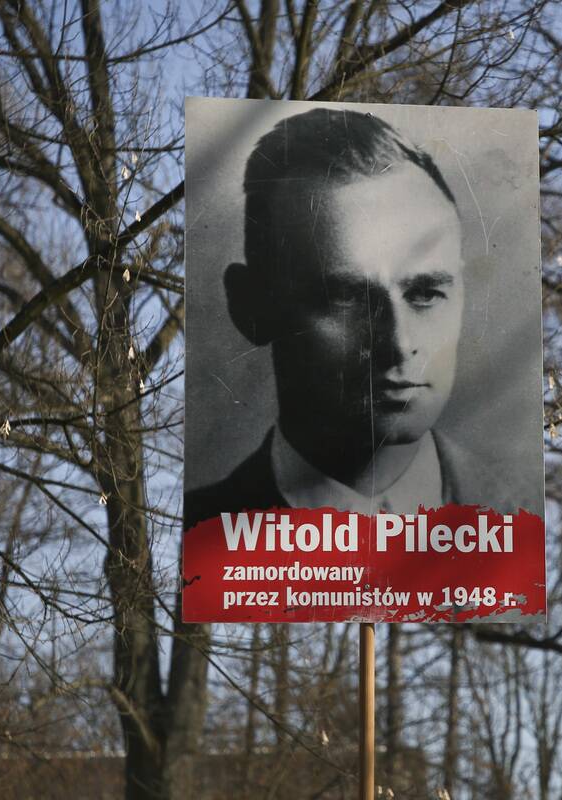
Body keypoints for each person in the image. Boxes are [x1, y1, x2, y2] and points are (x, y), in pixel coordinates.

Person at [184, 108, 531, 529]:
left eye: (425, 293)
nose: (399, 344)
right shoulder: (201, 540)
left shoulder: (527, 523)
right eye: (345, 298)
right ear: (251, 307)